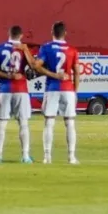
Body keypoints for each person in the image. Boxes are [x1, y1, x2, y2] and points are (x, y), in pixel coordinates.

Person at [35, 21, 80, 164]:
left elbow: (37, 66)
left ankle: (47, 157)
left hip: (52, 89)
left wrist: (53, 75)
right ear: (65, 33)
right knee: (70, 123)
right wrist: (75, 92)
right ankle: (71, 157)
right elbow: (77, 73)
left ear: (52, 32)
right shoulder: (72, 50)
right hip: (68, 89)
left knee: (49, 122)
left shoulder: (46, 48)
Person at [0, 25, 34, 163]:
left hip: (4, 89)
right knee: (23, 123)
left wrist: (6, 75)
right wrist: (26, 50)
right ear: (21, 35)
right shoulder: (24, 49)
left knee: (1, 123)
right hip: (21, 90)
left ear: (8, 33)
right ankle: (25, 156)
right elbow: (33, 65)